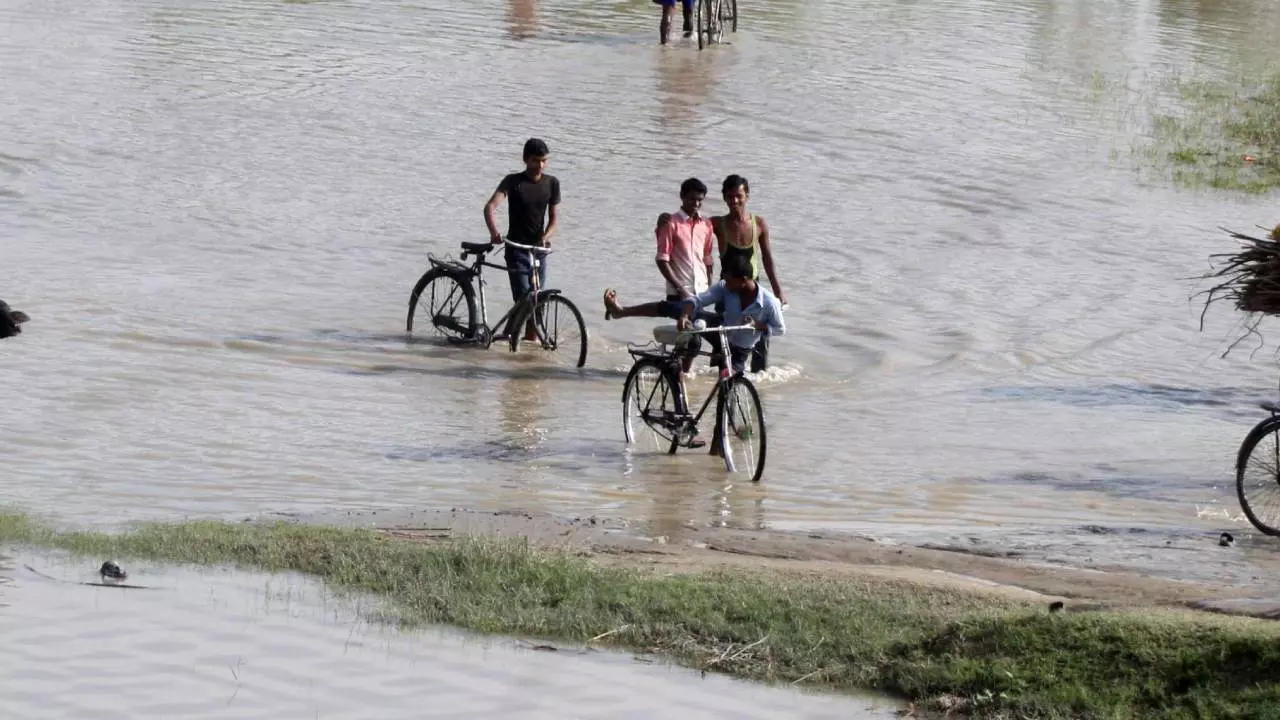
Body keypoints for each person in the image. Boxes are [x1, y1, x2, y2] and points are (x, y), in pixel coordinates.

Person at [484, 138, 561, 341]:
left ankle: (527, 341)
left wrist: (545, 237)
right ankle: (508, 339)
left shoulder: (552, 183)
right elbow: (490, 207)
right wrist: (494, 232)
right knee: (524, 299)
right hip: (516, 249)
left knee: (537, 300)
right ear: (525, 159)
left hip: (538, 252)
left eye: (544, 160)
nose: (540, 165)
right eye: (536, 160)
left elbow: (554, 220)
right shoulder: (513, 182)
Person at [711, 174, 787, 373]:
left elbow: (767, 258)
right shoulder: (717, 224)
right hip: (728, 287)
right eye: (730, 197)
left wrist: (778, 291)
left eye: (739, 196)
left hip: (753, 286)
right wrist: (665, 220)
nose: (734, 201)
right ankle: (716, 377)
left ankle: (757, 377)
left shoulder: (759, 224)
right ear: (724, 198)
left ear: (747, 197)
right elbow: (690, 226)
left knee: (760, 335)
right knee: (721, 336)